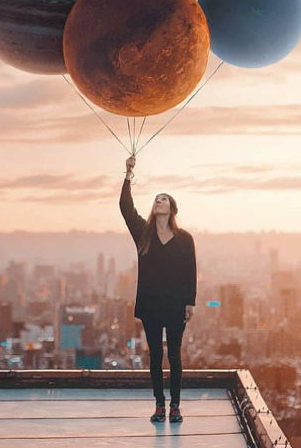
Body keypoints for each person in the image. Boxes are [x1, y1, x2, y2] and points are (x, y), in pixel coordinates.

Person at [119, 155, 197, 423]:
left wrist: (190, 302)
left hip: (176, 304)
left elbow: (191, 271)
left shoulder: (185, 238)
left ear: (172, 208)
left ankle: (176, 405)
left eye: (164, 198)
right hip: (151, 304)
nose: (158, 200)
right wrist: (128, 175)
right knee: (155, 357)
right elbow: (125, 208)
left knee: (174, 356)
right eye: (156, 198)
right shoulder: (143, 232)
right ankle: (159, 405)